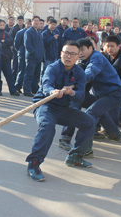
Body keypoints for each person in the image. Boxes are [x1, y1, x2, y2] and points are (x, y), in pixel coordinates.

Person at [26, 41, 95, 181]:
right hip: (46, 106)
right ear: (61, 53)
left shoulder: (80, 73)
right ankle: (33, 164)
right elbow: (46, 84)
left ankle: (74, 157)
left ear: (78, 57)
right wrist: (52, 91)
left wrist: (72, 93)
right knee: (47, 126)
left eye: (72, 54)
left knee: (89, 122)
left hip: (64, 108)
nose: (68, 56)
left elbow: (81, 95)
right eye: (66, 53)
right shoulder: (52, 68)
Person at [59, 38, 121, 152]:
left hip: (113, 94)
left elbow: (90, 72)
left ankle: (84, 149)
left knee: (91, 112)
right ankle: (115, 135)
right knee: (76, 102)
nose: (81, 53)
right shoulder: (82, 61)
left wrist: (77, 82)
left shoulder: (96, 57)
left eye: (83, 50)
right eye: (78, 51)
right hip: (101, 95)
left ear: (91, 48)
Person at [0, 19, 19, 96]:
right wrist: (4, 42)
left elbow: (11, 41)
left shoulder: (6, 33)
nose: (2, 26)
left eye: (3, 25)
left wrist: (4, 41)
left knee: (9, 74)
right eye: (0, 25)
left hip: (6, 57)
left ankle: (12, 90)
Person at [23, 15, 45, 96]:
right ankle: (27, 90)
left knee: (36, 75)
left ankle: (34, 89)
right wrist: (34, 53)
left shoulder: (39, 32)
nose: (36, 22)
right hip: (31, 58)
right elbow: (27, 45)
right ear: (32, 22)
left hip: (39, 58)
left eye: (38, 21)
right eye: (34, 20)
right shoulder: (28, 32)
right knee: (29, 74)